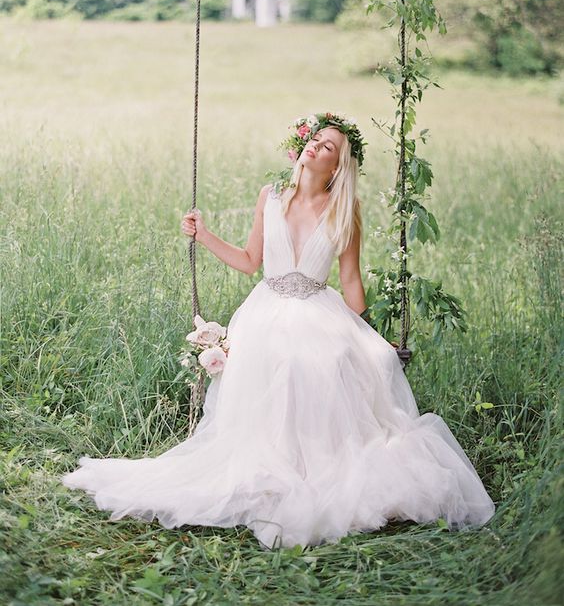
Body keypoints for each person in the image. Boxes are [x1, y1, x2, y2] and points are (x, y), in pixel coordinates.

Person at [62, 112, 495, 550]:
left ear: (338, 166)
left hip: (318, 310)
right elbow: (251, 260)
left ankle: (313, 466)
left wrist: (372, 337)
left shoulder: (346, 209)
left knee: (325, 360)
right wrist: (204, 236)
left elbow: (350, 280)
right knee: (276, 361)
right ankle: (270, 464)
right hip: (264, 311)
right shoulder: (271, 195)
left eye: (329, 147)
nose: (316, 147)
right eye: (315, 139)